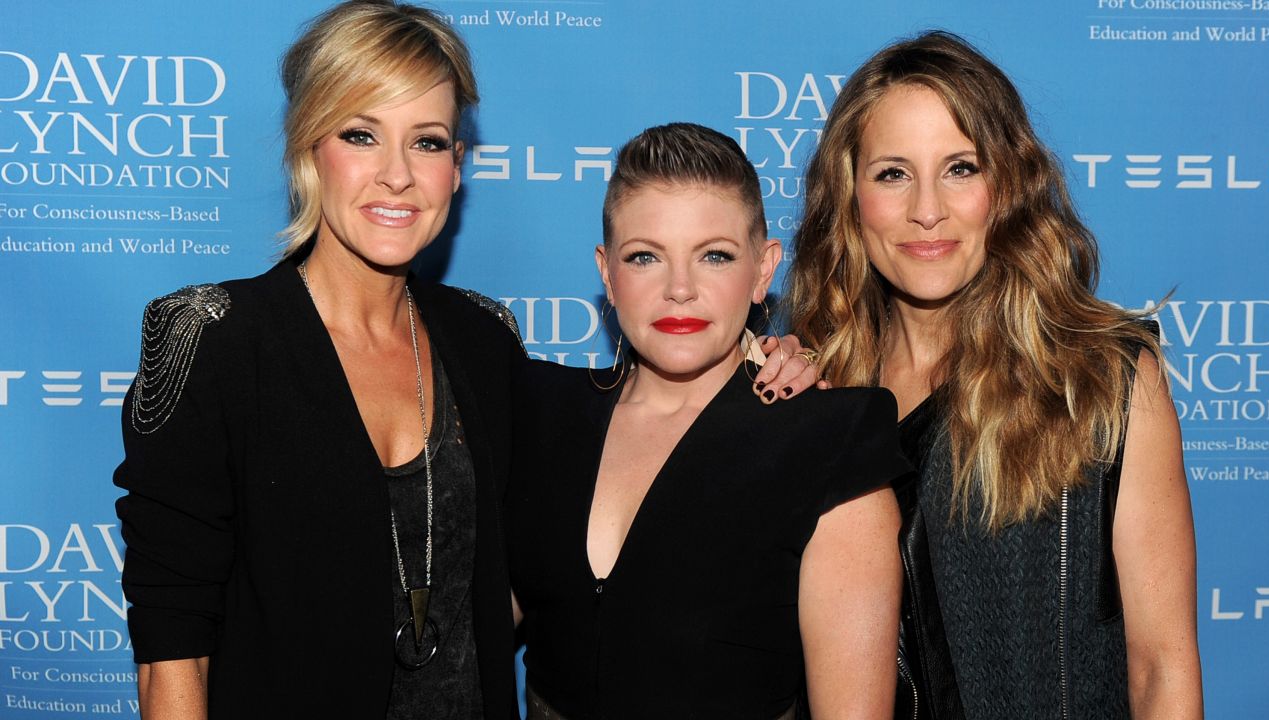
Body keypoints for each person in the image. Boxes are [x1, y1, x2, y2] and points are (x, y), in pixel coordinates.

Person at [112, 4, 816, 718]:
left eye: (427, 142)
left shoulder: (484, 342)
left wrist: (765, 352)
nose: (396, 176)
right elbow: (173, 650)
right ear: (309, 147)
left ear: (456, 168)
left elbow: (544, 563)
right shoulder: (213, 339)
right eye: (362, 134)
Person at [786, 31, 1203, 720]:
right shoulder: (814, 394)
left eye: (960, 168)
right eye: (893, 173)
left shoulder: (1101, 382)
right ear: (849, 197)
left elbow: (1162, 668)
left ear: (1007, 184)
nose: (928, 209)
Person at [506, 123, 909, 720]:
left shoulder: (830, 442)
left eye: (714, 256)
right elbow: (467, 638)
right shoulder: (538, 411)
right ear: (607, 274)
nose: (679, 290)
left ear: (763, 270)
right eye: (645, 257)